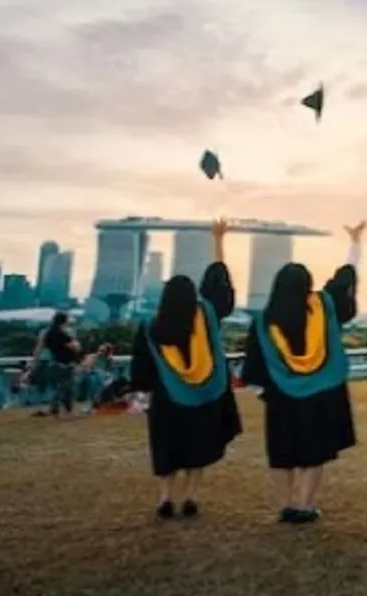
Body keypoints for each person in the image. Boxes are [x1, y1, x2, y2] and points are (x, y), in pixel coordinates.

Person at [241, 220, 366, 524]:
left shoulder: (264, 321)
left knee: (282, 452)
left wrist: (265, 390)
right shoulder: (323, 305)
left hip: (281, 396)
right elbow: (344, 278)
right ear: (308, 285)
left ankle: (286, 505)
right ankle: (306, 504)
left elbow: (254, 366)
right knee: (315, 451)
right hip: (322, 394)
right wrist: (355, 243)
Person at [129, 218, 242, 519]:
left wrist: (142, 395)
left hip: (167, 399)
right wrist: (219, 241)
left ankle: (166, 497)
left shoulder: (151, 327)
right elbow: (220, 284)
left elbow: (140, 367)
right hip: (204, 396)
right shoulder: (206, 315)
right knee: (198, 445)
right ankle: (191, 496)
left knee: (168, 448)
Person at [43, 311, 82, 418]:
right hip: (65, 364)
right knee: (67, 388)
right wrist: (75, 343)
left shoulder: (49, 333)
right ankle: (67, 410)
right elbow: (75, 347)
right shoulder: (62, 334)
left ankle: (55, 408)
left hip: (54, 362)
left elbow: (43, 346)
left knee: (57, 387)